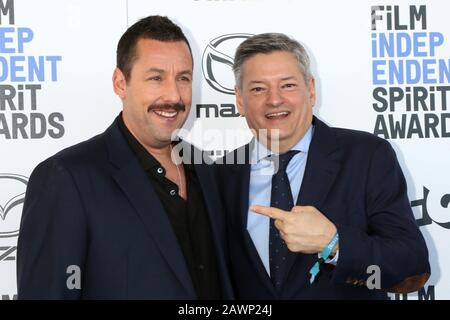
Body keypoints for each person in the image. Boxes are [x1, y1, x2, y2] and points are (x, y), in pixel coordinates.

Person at [17, 15, 234, 300]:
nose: (174, 95)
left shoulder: (209, 171)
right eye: (156, 78)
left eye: (183, 78)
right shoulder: (67, 178)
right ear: (120, 83)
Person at [216, 33, 430, 299]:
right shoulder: (220, 175)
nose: (274, 99)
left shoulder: (367, 156)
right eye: (258, 88)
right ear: (239, 99)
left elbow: (411, 270)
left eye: (288, 85)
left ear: (311, 90)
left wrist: (334, 243)